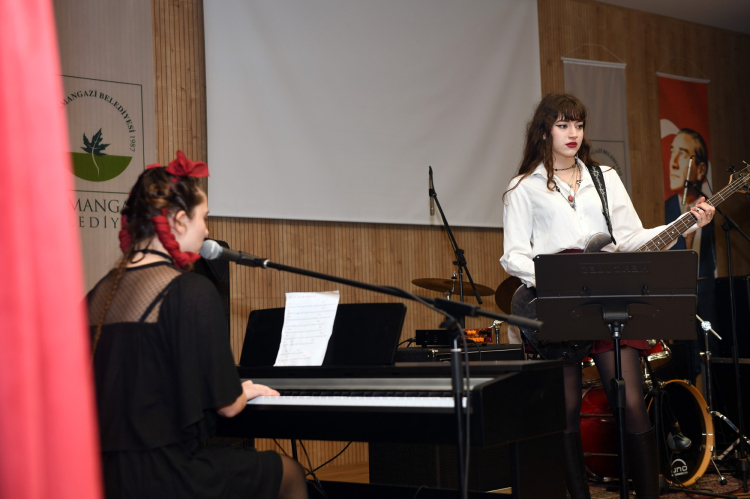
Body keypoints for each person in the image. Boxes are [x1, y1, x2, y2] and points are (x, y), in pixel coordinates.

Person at [500, 94, 715, 499]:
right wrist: (557, 279)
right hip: (560, 301)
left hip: (611, 296)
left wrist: (686, 223)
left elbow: (631, 239)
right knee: (566, 411)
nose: (573, 133)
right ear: (544, 131)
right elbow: (513, 256)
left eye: (578, 125)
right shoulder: (523, 187)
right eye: (563, 125)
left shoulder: (605, 178)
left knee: (630, 399)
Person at [87, 151, 308, 499]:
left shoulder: (96, 295)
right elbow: (228, 406)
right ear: (178, 220)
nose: (206, 230)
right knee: (290, 473)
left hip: (101, 477)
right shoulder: (191, 291)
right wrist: (243, 390)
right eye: (203, 218)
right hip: (167, 476)